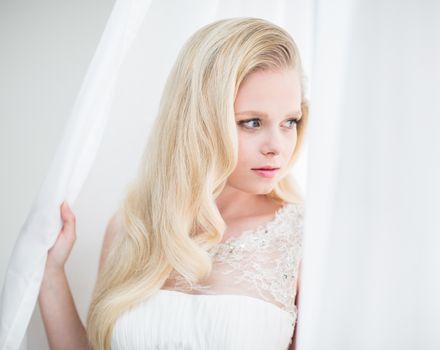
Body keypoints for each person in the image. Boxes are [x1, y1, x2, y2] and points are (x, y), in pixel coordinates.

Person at [38, 17, 309, 350]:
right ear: (199, 121)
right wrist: (51, 273)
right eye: (252, 122)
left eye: (290, 121)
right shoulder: (132, 227)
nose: (277, 146)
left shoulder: (303, 240)